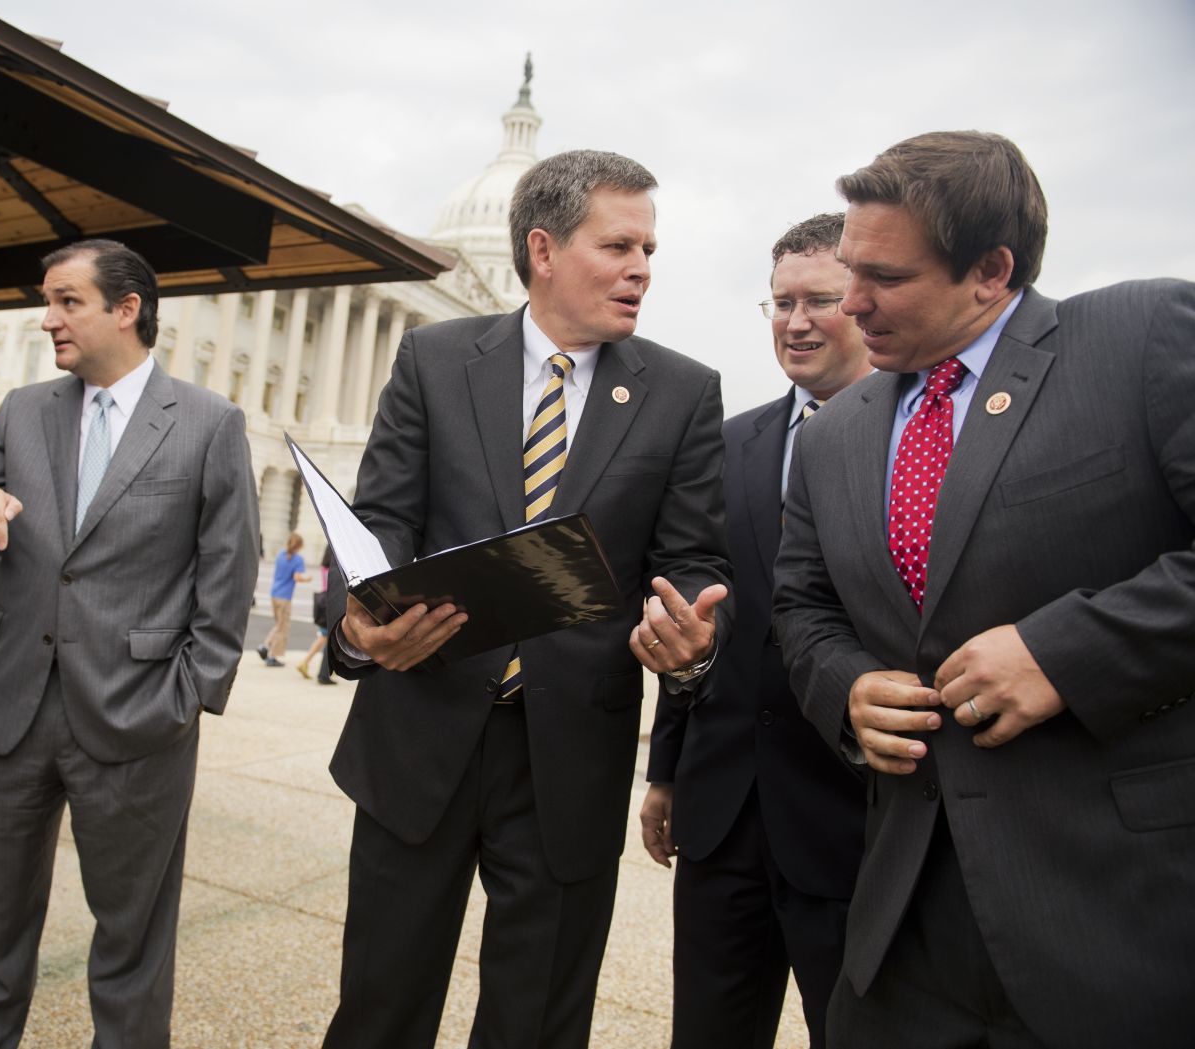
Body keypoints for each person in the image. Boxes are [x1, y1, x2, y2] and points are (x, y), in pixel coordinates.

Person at [772, 131, 1195, 1049]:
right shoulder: (833, 436)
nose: (851, 303)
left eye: (883, 277)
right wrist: (846, 686)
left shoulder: (1141, 337)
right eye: (850, 269)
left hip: (1123, 917)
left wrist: (1065, 653)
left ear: (991, 270)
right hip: (902, 931)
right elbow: (801, 607)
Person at [322, 149, 732, 1049]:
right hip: (418, 736)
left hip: (567, 759)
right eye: (618, 244)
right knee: (379, 1009)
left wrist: (692, 638)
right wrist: (357, 621)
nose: (642, 269)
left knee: (537, 1024)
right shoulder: (432, 359)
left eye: (650, 249)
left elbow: (692, 562)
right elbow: (380, 521)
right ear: (543, 249)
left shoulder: (683, 394)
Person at [0, 239, 259, 1048]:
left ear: (127, 309)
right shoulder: (23, 408)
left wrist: (185, 698)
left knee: (131, 946)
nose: (47, 319)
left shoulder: (211, 423)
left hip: (138, 719)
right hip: (9, 706)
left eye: (66, 300)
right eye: (47, 300)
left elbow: (228, 575)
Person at [641, 213, 871, 1048]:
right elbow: (692, 612)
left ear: (865, 299)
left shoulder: (914, 444)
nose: (796, 320)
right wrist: (665, 768)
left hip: (850, 820)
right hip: (721, 812)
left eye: (820, 299)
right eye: (780, 302)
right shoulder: (726, 443)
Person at [257, 532, 309, 666]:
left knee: (278, 624)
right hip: (285, 596)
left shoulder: (280, 554)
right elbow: (297, 577)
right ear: (299, 546)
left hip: (275, 593)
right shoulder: (298, 559)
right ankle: (272, 657)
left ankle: (265, 646)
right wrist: (307, 579)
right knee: (283, 627)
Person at [297, 546, 337, 684]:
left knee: (323, 636)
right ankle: (313, 666)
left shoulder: (324, 567)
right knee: (326, 637)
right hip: (331, 601)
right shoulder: (335, 568)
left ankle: (306, 663)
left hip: (324, 600)